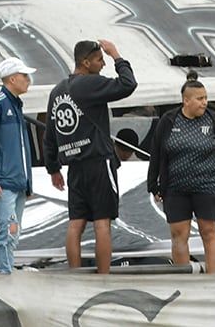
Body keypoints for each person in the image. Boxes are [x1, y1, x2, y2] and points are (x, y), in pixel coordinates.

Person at [45, 39, 138, 274]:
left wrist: (53, 168)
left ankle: (76, 275)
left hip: (74, 166)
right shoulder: (89, 84)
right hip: (98, 161)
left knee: (75, 223)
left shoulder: (57, 91)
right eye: (99, 60)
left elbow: (50, 134)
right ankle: (104, 277)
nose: (103, 64)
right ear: (85, 63)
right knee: (102, 223)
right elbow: (128, 84)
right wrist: (116, 54)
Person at [147, 72, 215, 274]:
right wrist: (153, 184)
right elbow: (157, 154)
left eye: (206, 98)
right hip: (175, 187)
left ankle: (213, 279)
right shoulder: (168, 121)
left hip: (208, 186)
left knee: (209, 232)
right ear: (186, 101)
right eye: (199, 99)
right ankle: (183, 280)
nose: (204, 102)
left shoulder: (214, 121)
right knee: (179, 235)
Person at [0, 58, 35, 274]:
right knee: (9, 231)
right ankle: (4, 274)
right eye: (24, 76)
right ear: (12, 78)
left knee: (14, 231)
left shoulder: (15, 105)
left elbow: (21, 148)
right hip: (2, 183)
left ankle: (6, 270)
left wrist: (27, 182)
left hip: (16, 182)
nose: (28, 80)